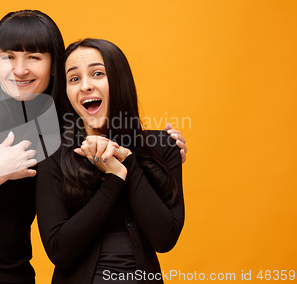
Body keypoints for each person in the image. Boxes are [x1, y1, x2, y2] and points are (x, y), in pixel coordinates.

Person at [0, 11, 187, 284]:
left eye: (33, 57)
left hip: (18, 278)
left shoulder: (58, 130)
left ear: (53, 66)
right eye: (7, 57)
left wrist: (158, 153)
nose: (19, 69)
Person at [36, 39, 185, 284]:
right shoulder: (53, 153)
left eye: (97, 74)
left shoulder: (163, 146)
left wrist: (129, 164)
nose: (85, 86)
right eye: (74, 79)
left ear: (119, 80)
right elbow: (59, 251)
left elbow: (165, 238)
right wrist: (114, 179)